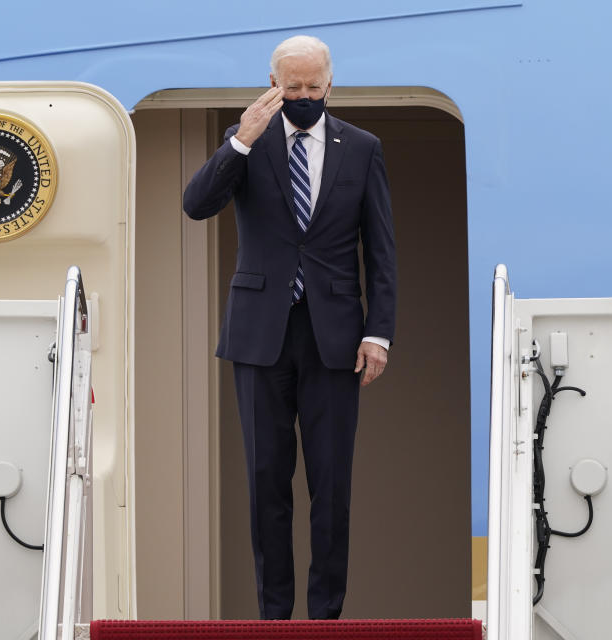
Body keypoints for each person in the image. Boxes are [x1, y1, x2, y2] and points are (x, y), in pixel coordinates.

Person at [182, 35, 396, 620]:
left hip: (336, 338)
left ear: (330, 84)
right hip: (259, 336)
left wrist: (379, 332)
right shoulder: (247, 142)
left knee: (331, 486)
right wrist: (241, 141)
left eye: (312, 88)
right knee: (266, 482)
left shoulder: (362, 148)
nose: (303, 97)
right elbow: (197, 204)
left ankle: (325, 616)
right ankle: (274, 617)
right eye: (291, 87)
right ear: (273, 84)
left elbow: (380, 250)